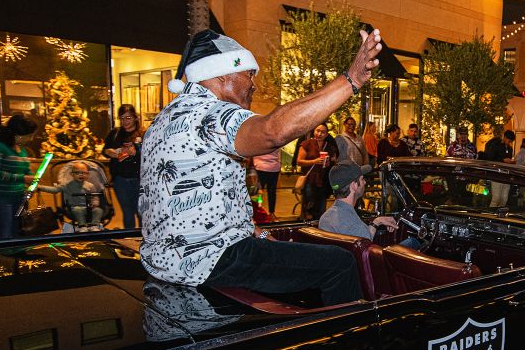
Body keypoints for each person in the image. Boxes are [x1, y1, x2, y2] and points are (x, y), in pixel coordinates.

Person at [139, 28, 383, 306]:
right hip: (210, 260)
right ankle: (345, 344)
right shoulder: (210, 113)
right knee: (339, 263)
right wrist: (351, 80)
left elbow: (205, 207)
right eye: (249, 74)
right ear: (220, 74)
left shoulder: (166, 118)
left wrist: (266, 236)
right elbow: (272, 132)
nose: (254, 84)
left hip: (165, 260)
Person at [0, 113, 38, 239]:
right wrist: (23, 178)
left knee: (18, 231)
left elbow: (25, 170)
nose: (31, 139)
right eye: (29, 135)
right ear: (18, 134)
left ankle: (17, 255)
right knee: (4, 232)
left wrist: (31, 181)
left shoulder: (21, 149)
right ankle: (4, 256)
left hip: (19, 197)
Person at [318, 161, 403, 241]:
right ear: (354, 186)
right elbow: (365, 248)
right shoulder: (352, 222)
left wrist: (377, 222)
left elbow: (364, 237)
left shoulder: (325, 217)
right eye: (362, 179)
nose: (365, 183)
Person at [102, 104, 144, 228]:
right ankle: (128, 240)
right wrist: (109, 152)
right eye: (122, 118)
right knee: (127, 212)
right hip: (120, 179)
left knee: (141, 212)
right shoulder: (115, 133)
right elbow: (105, 150)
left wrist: (137, 151)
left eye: (128, 118)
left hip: (139, 179)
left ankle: (142, 240)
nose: (125, 121)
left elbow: (152, 153)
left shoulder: (143, 133)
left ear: (135, 118)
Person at [39, 161, 103, 228]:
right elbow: (55, 190)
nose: (81, 175)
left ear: (88, 174)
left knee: (98, 210)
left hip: (89, 207)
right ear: (72, 174)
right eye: (77, 173)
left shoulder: (90, 185)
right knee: (78, 210)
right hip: (74, 207)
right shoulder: (67, 185)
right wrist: (40, 187)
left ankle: (95, 225)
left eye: (84, 173)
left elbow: (94, 195)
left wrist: (95, 202)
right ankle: (82, 225)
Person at [295, 123, 335, 221]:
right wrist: (314, 161)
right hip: (310, 180)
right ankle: (307, 228)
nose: (319, 134)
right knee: (309, 206)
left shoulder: (329, 146)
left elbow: (334, 160)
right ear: (314, 131)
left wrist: (329, 162)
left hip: (323, 180)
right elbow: (299, 161)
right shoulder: (307, 144)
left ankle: (319, 227)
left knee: (321, 207)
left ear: (326, 134)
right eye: (318, 131)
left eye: (323, 132)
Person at [252, 149, 281, 216]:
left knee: (258, 192)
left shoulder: (258, 138)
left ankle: (257, 211)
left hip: (260, 166)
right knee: (271, 192)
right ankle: (271, 213)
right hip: (274, 167)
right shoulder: (276, 138)